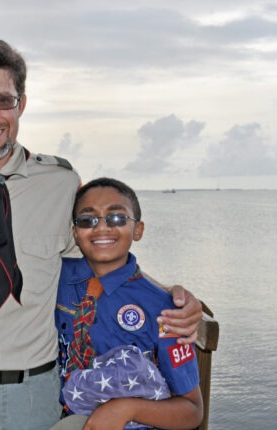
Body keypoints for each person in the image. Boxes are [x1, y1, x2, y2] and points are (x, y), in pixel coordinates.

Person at [0, 39, 203, 430]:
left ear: (21, 104)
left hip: (33, 399)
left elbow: (102, 259)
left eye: (3, 101)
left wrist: (174, 296)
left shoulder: (61, 183)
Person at [53, 177, 202, 430]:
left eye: (117, 218)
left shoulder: (165, 310)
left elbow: (192, 410)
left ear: (138, 230)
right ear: (75, 233)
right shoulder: (53, 277)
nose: (102, 228)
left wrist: (127, 407)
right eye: (88, 220)